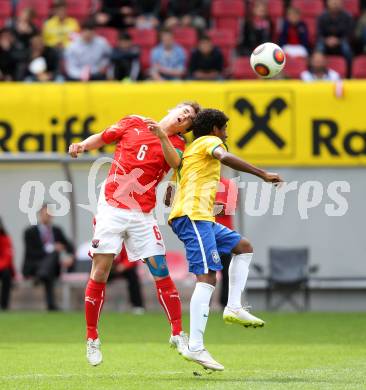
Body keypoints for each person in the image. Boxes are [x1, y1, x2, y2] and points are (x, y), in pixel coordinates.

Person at [68, 101, 201, 366]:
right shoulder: (134, 122)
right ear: (172, 110)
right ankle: (92, 338)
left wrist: (162, 136)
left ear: (186, 127)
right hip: (113, 208)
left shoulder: (177, 144)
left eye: (188, 120)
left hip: (142, 214)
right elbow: (105, 136)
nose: (183, 118)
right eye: (183, 112)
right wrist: (83, 145)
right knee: (100, 271)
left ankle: (177, 333)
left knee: (160, 270)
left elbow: (175, 163)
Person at [150, 108, 283, 371]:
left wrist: (170, 190)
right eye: (223, 129)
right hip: (193, 217)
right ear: (214, 130)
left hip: (202, 219)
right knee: (208, 277)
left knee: (243, 247)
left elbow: (181, 178)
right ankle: (196, 347)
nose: (225, 134)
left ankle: (233, 306)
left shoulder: (191, 151)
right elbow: (225, 156)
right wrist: (262, 174)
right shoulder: (210, 143)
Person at [22, 204, 74, 311]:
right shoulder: (29, 232)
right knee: (51, 260)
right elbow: (31, 253)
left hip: (49, 269)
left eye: (49, 214)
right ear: (40, 215)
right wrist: (51, 248)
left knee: (52, 260)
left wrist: (70, 257)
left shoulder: (57, 231)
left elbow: (70, 247)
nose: (47, 216)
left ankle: (42, 274)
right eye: (45, 214)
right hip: (35, 266)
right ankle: (51, 306)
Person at [215, 177, 238, 309]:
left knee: (227, 272)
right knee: (206, 272)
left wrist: (209, 207)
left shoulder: (229, 184)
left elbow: (231, 207)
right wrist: (219, 206)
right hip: (207, 234)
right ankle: (205, 304)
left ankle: (225, 303)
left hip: (224, 235)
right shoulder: (202, 182)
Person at [108, 245, 145, 314]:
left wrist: (124, 265)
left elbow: (133, 257)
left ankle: (137, 306)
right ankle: (94, 302)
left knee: (133, 278)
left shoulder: (127, 242)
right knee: (97, 277)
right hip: (109, 267)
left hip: (125, 268)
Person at [0, 218, 15, 310]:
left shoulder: (5, 238)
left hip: (2, 268)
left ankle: (4, 305)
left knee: (6, 274)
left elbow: (7, 257)